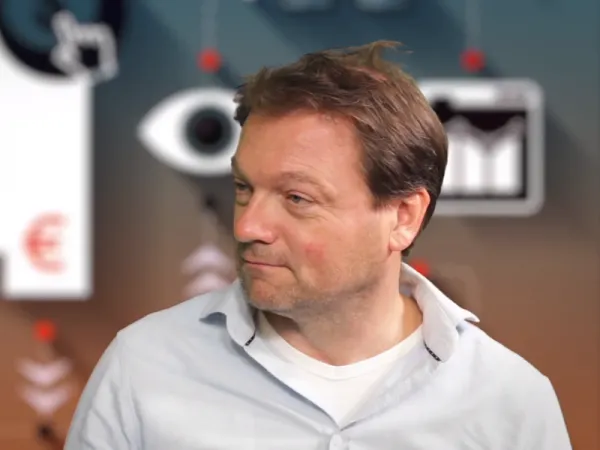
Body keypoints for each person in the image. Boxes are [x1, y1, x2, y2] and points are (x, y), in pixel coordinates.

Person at [65, 41, 572, 449]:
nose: (248, 226)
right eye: (244, 189)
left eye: (296, 198)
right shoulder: (144, 367)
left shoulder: (509, 403)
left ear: (403, 217)